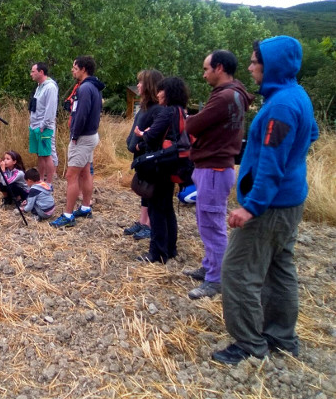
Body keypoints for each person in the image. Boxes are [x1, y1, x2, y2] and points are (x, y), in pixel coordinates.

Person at [212, 36, 319, 365]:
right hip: (290, 200)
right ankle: (282, 337)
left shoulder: (281, 108)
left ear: (270, 65)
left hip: (270, 206)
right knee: (279, 267)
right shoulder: (296, 95)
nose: (249, 67)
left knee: (237, 270)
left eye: (254, 61)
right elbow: (311, 133)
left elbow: (271, 165)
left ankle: (249, 344)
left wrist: (251, 207)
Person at [183, 50, 254, 300]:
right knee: (206, 222)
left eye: (206, 69)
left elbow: (192, 125)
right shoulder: (236, 94)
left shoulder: (224, 97)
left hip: (214, 168)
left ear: (219, 68)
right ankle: (210, 267)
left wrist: (191, 118)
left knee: (212, 226)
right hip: (215, 166)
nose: (204, 75)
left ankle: (217, 280)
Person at [134, 77, 189, 263]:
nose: (158, 94)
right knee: (167, 209)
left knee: (156, 209)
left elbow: (151, 135)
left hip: (161, 165)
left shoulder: (167, 113)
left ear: (168, 92)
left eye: (161, 90)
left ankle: (156, 253)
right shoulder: (182, 112)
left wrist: (141, 135)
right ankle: (171, 248)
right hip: (174, 164)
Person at [50, 56, 104, 228]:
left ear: (83, 69)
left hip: (82, 138)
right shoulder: (94, 86)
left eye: (74, 67)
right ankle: (86, 207)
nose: (72, 70)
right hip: (91, 135)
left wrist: (75, 135)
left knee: (71, 175)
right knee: (85, 172)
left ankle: (67, 215)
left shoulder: (85, 88)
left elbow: (81, 114)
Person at [125, 69, 164, 241]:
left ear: (149, 86)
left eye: (141, 82)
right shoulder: (144, 108)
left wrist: (140, 146)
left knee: (150, 190)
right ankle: (142, 222)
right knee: (143, 190)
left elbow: (155, 135)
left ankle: (149, 225)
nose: (138, 85)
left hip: (149, 158)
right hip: (140, 158)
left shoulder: (157, 110)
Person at [29, 62, 59, 184]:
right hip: (34, 125)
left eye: (33, 71)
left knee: (47, 155)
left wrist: (43, 125)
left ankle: (49, 183)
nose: (31, 74)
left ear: (41, 72)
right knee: (40, 154)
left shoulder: (50, 87)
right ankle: (41, 180)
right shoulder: (39, 86)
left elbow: (50, 109)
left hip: (44, 127)